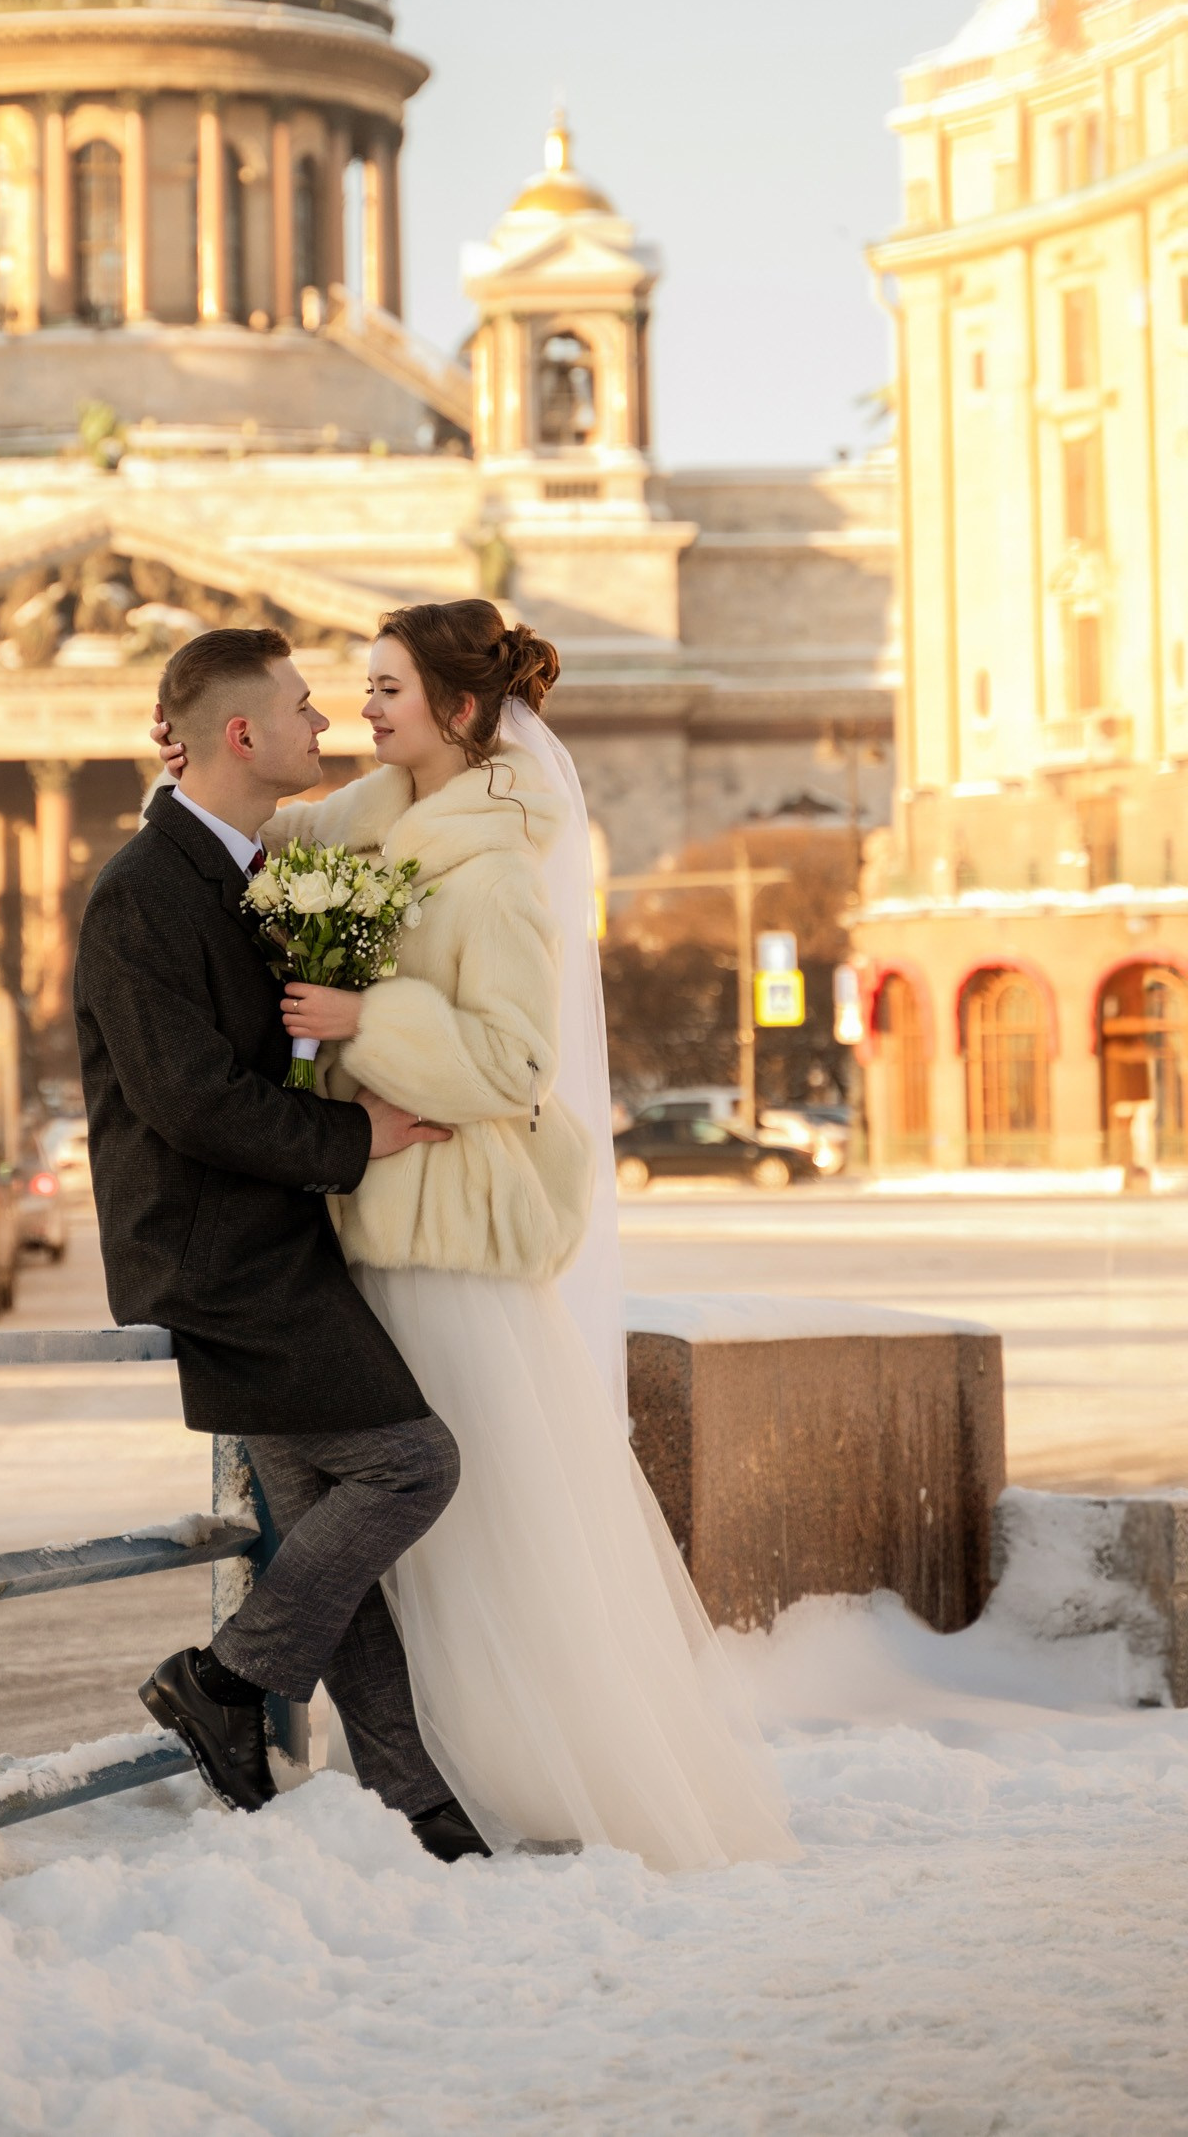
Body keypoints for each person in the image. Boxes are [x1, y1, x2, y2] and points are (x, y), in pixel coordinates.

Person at [247, 598, 796, 1869]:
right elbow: (257, 831)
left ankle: (522, 1774)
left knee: (480, 1532)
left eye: (386, 689)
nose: (361, 708)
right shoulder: (367, 829)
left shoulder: (489, 865)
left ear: (455, 710)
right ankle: (432, 1772)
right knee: (424, 1538)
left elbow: (510, 1063)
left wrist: (359, 1018)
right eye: (361, 685)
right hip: (375, 1229)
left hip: (446, 1250)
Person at [73, 625, 490, 1861]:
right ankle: (221, 1674)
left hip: (267, 1237)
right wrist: (354, 1137)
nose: (325, 725)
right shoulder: (140, 892)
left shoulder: (242, 870)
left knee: (327, 1538)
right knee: (410, 1466)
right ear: (240, 733)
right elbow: (189, 1098)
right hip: (214, 1253)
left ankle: (415, 1810)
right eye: (303, 707)